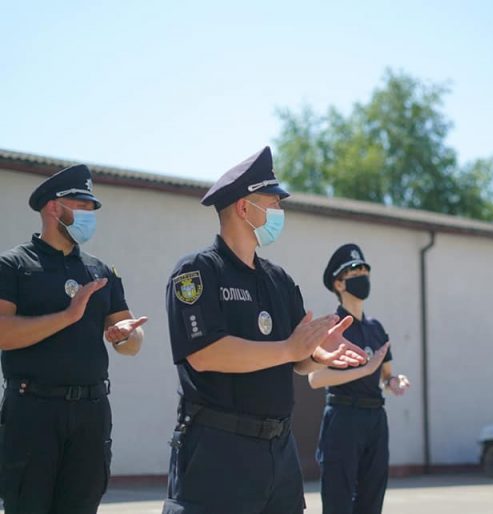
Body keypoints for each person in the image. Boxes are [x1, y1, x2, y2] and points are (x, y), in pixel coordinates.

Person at [162, 146, 368, 514]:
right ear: (244, 208)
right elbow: (205, 354)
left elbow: (297, 362)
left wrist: (317, 352)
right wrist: (290, 349)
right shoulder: (197, 272)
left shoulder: (278, 280)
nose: (279, 211)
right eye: (273, 202)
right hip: (218, 452)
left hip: (278, 453)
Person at [0, 164, 146, 514]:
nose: (89, 215)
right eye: (81, 206)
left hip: (91, 414)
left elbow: (133, 339)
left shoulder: (100, 271)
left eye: (92, 209)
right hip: (33, 412)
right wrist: (68, 317)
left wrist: (126, 335)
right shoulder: (14, 265)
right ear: (53, 207)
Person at [309, 243, 410, 514]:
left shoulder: (376, 328)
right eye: (355, 271)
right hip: (343, 417)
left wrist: (395, 382)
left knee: (372, 499)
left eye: (365, 269)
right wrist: (363, 371)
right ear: (339, 284)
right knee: (338, 501)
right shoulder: (331, 326)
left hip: (375, 418)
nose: (363, 275)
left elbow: (386, 376)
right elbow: (315, 379)